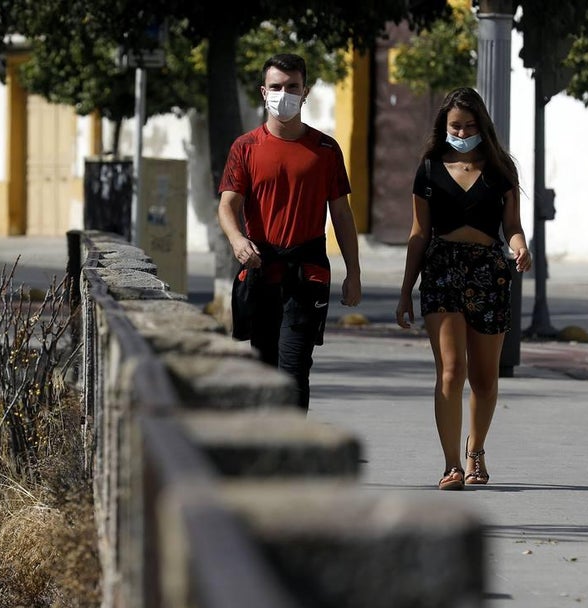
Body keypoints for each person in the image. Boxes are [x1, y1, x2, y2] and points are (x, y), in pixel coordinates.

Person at [395, 86, 531, 491]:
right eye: (456, 125)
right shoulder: (429, 168)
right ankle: (452, 464)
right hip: (441, 271)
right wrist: (406, 290)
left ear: (483, 126)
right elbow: (419, 234)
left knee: (486, 379)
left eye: (470, 125)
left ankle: (476, 451)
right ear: (444, 125)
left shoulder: (501, 168)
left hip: (489, 272)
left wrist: (520, 247)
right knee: (451, 372)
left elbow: (513, 226)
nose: (463, 132)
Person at [218, 52, 362, 412]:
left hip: (307, 272)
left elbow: (342, 214)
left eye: (292, 87)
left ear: (305, 91)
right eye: (277, 87)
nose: (284, 94)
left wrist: (353, 273)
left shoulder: (326, 150)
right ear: (263, 92)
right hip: (261, 270)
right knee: (265, 368)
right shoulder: (245, 147)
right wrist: (238, 241)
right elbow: (227, 205)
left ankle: (294, 453)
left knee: (294, 368)